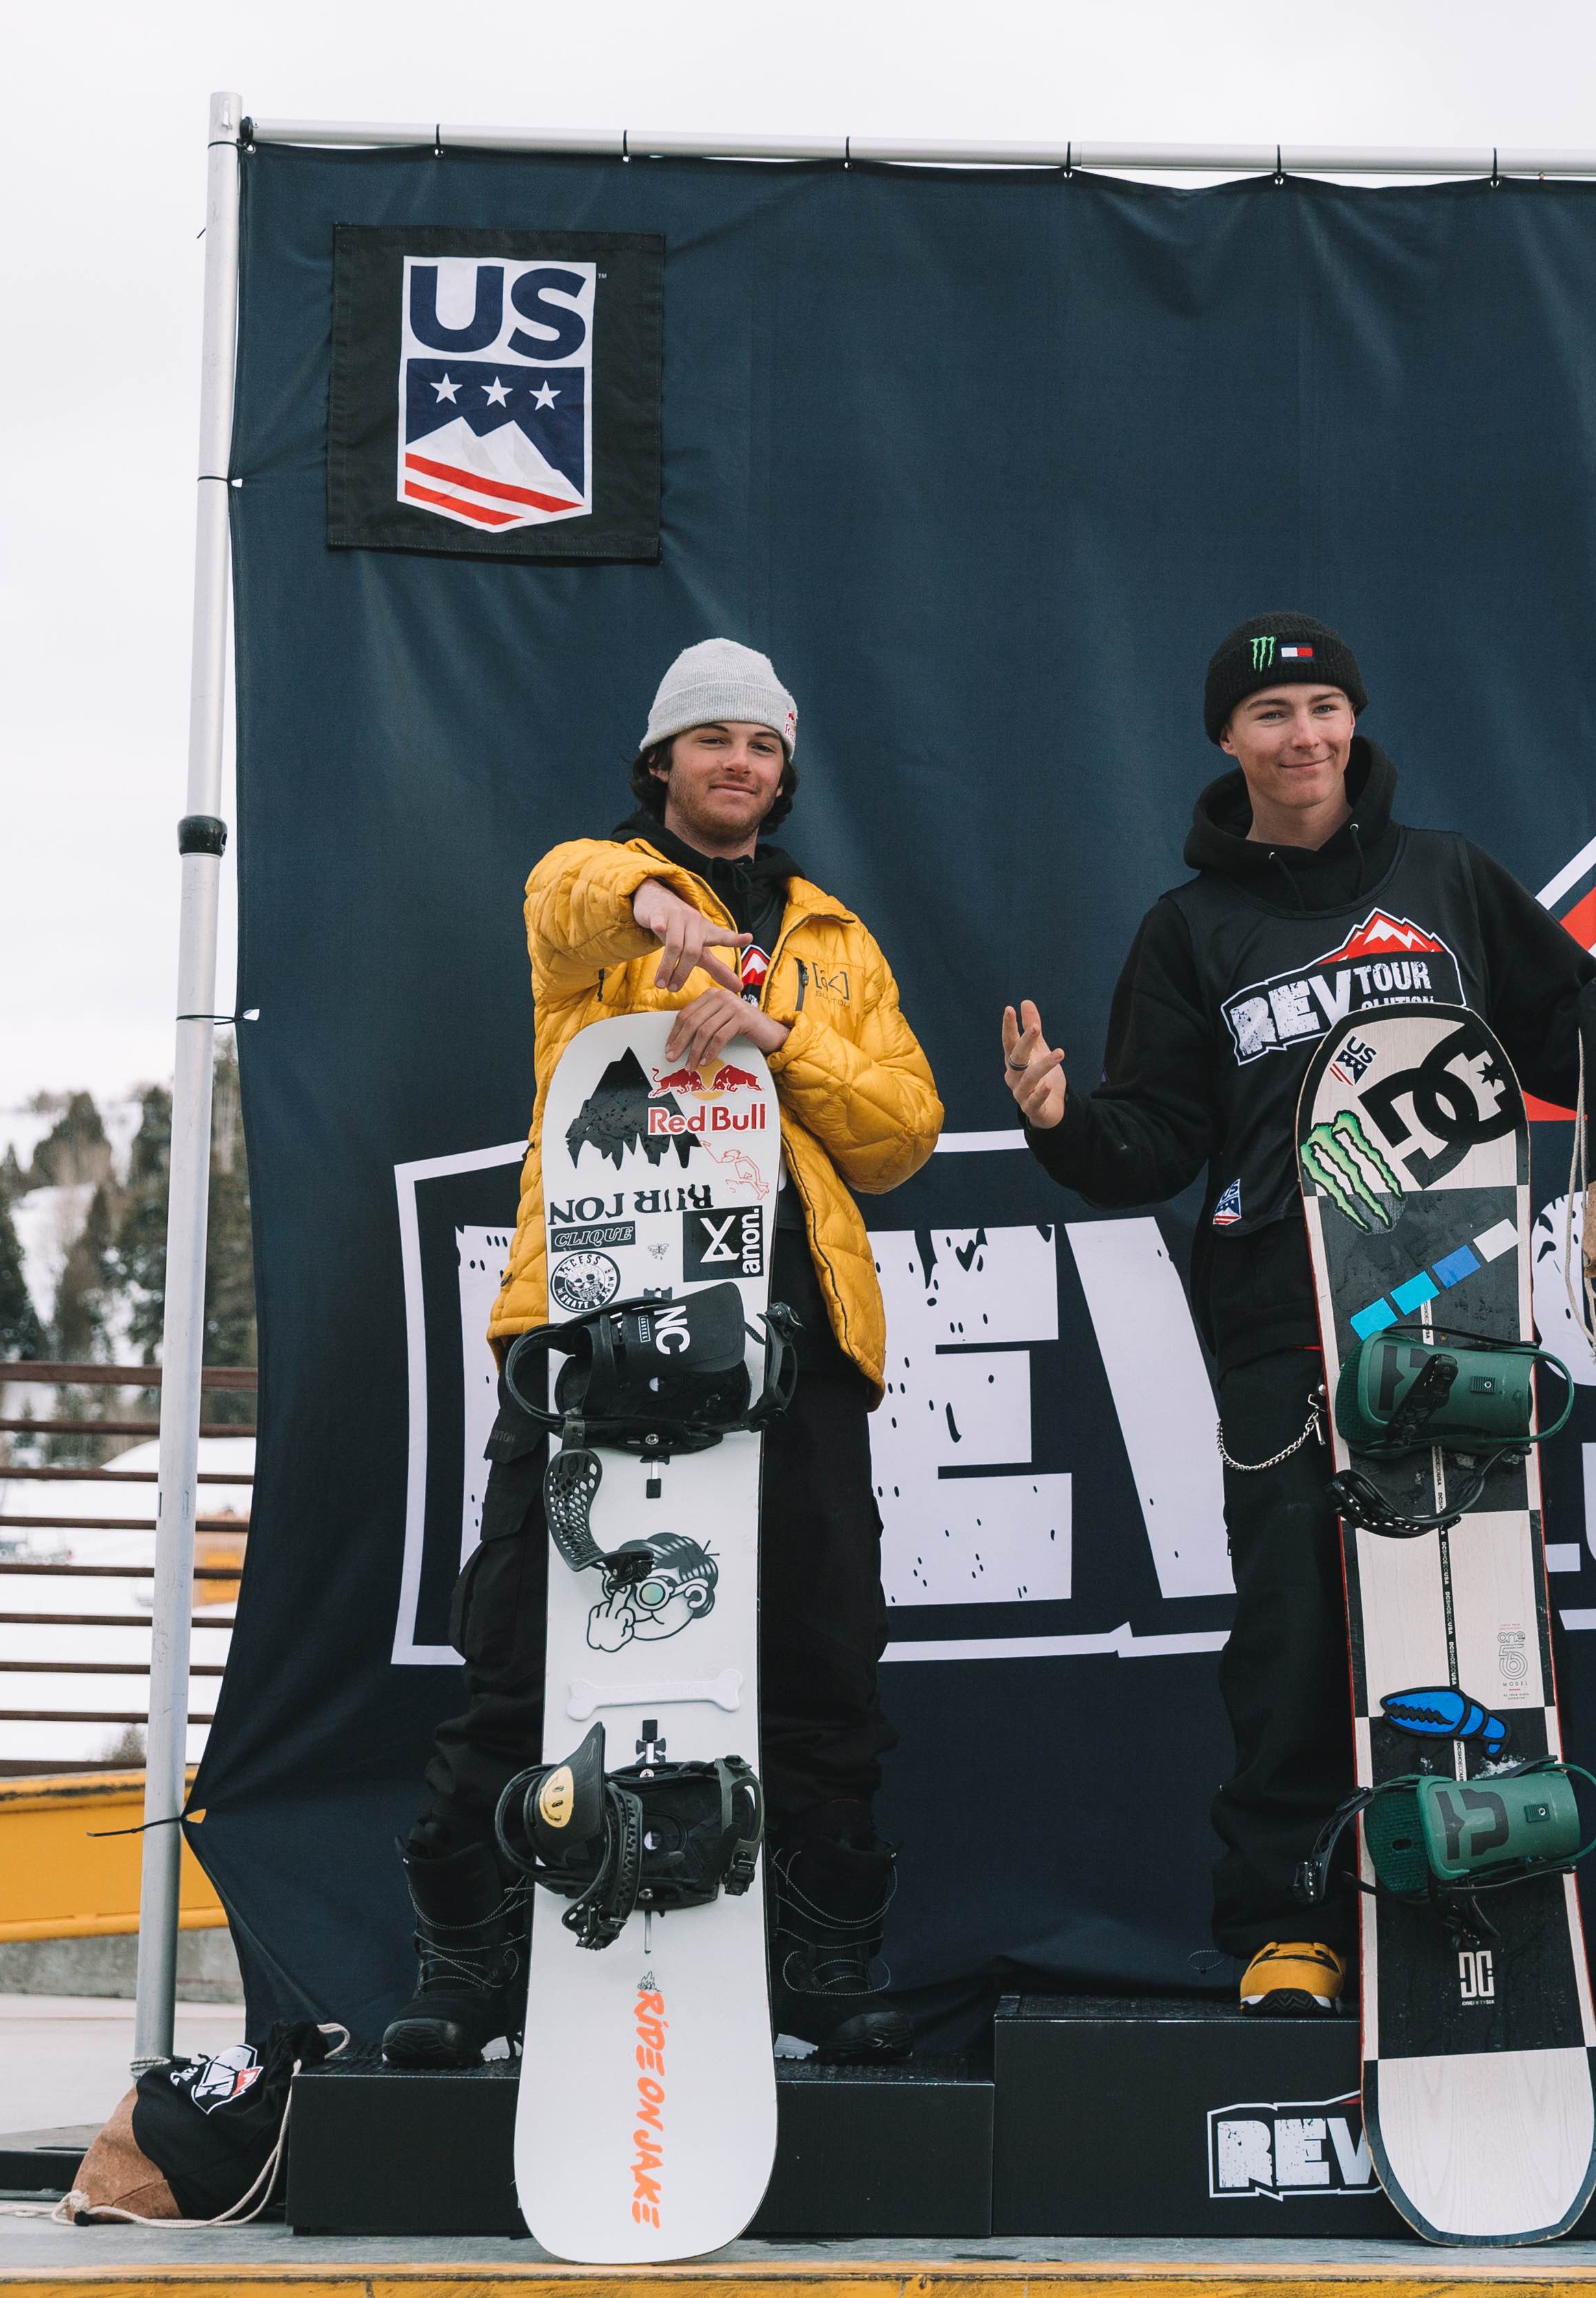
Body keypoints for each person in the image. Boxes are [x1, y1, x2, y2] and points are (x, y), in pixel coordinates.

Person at [1000, 611, 1596, 2015]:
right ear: (1225, 743)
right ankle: (1290, 1923)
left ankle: (1484, 1887)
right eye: (1270, 718)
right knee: (1300, 1629)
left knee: (1470, 1615)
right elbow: (1156, 1139)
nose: (1302, 738)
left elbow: (1569, 1028)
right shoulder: (1191, 928)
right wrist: (1065, 1126)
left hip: (1457, 1302)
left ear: (1353, 724)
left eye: (1323, 710)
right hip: (1279, 1321)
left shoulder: (1445, 879)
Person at [383, 637, 944, 2068]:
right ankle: (469, 1971)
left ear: (784, 770)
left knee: (823, 1658)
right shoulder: (593, 893)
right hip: (589, 1326)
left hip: (790, 1336)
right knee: (518, 1645)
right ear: (661, 764)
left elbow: (898, 1134)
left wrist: (775, 1037)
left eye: (760, 744)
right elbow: (562, 898)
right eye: (710, 742)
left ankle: (814, 1970)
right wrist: (658, 909)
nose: (737, 764)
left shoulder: (833, 937)